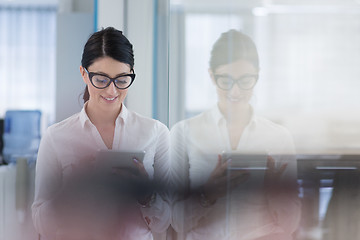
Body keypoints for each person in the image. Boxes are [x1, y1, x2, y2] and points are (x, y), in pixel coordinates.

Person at [32, 27, 171, 240]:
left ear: (131, 74)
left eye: (122, 79)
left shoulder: (155, 133)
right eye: (101, 79)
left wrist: (147, 197)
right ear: (84, 74)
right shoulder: (55, 137)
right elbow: (41, 223)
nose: (111, 91)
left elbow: (165, 223)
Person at [170, 30, 301, 240]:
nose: (236, 91)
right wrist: (207, 193)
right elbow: (174, 222)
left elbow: (291, 224)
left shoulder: (279, 138)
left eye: (245, 80)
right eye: (226, 80)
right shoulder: (184, 133)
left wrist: (275, 192)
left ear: (257, 76)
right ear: (212, 76)